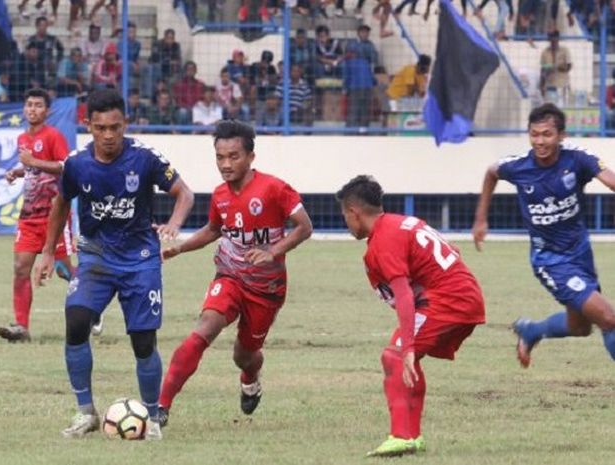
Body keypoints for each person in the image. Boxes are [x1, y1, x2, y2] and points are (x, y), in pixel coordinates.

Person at [34, 88, 195, 438]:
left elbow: (185, 193)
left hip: (140, 260)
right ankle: (86, 413)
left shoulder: (145, 158)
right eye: (101, 128)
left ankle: (151, 418)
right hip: (96, 256)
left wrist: (174, 224)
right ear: (88, 125)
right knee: (76, 321)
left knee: (142, 341)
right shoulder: (77, 163)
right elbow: (61, 203)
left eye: (116, 128)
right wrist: (48, 251)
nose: (109, 136)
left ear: (126, 124)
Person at [156, 120, 313, 427]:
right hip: (229, 276)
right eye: (220, 157)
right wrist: (181, 248)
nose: (226, 164)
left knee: (245, 354)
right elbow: (215, 229)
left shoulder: (274, 188)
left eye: (233, 156)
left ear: (251, 157)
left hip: (266, 288)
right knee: (204, 328)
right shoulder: (220, 195)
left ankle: (250, 378)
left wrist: (273, 252)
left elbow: (305, 227)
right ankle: (160, 407)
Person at [337, 175, 485, 457]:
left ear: (354, 212)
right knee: (406, 358)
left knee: (395, 356)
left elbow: (403, 294)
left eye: (345, 215)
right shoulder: (401, 222)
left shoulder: (383, 238)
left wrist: (407, 345)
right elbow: (452, 251)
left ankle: (401, 435)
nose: (346, 222)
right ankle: (413, 436)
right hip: (463, 297)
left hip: (449, 301)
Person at [472, 103, 615, 369]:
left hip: (580, 252)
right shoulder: (518, 166)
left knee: (580, 327)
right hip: (550, 260)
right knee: (608, 318)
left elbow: (609, 178)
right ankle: (532, 331)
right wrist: (481, 218)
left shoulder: (577, 159)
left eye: (547, 134)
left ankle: (531, 331)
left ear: (561, 135)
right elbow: (492, 172)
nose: (540, 141)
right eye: (534, 134)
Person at [0, 88, 74, 342]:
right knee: (21, 268)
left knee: (63, 270)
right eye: (29, 104)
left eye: (38, 105)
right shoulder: (23, 138)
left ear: (47, 111)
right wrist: (17, 171)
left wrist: (33, 162)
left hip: (55, 215)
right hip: (29, 215)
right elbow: (31, 167)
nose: (32, 109)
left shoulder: (53, 136)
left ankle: (92, 308)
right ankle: (21, 328)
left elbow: (66, 168)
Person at [539, 30, 572, 105]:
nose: (553, 41)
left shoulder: (565, 50)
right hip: (550, 86)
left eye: (554, 38)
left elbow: (569, 67)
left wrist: (557, 67)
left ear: (558, 38)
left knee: (563, 109)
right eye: (551, 38)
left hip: (563, 85)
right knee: (551, 110)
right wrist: (541, 85)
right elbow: (542, 70)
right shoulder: (545, 52)